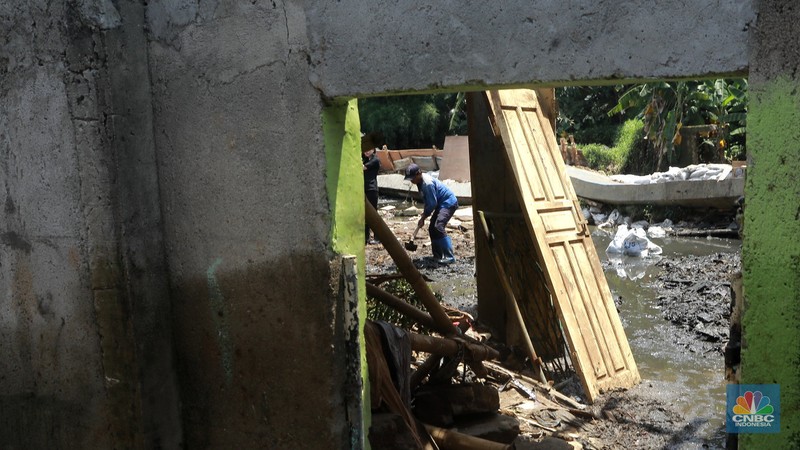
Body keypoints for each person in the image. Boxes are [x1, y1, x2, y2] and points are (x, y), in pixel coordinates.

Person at [403, 163, 458, 264]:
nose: (411, 180)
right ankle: (438, 255)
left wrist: (424, 217)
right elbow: (427, 200)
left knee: (438, 226)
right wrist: (423, 216)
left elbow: (432, 204)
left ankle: (449, 256)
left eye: (412, 178)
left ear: (419, 174)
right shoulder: (419, 182)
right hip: (440, 204)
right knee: (432, 228)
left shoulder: (427, 184)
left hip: (448, 203)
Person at [363, 147, 381, 244]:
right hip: (364, 189)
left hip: (372, 189)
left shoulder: (375, 160)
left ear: (373, 150)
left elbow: (363, 167)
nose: (366, 151)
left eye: (368, 149)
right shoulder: (366, 159)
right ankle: (366, 238)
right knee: (365, 214)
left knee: (373, 214)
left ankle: (378, 237)